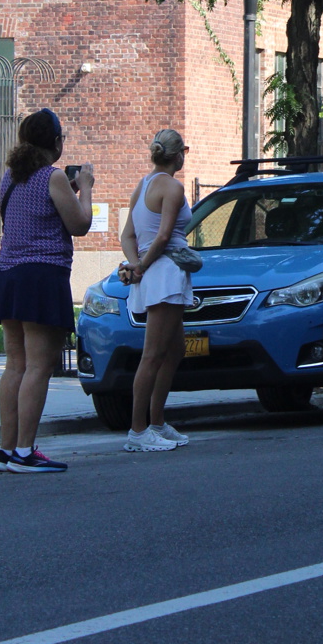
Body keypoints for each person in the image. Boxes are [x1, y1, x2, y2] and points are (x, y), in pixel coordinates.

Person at [0, 108, 95, 472]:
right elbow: (80, 224)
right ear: (56, 143)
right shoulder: (53, 177)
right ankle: (24, 452)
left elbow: (35, 213)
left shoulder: (11, 176)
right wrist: (86, 188)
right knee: (39, 365)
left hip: (6, 275)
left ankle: (6, 451)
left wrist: (71, 191)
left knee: (15, 365)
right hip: (40, 277)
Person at [119, 129, 194, 451]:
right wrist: (142, 267)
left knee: (174, 350)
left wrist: (136, 264)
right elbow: (163, 237)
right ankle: (138, 431)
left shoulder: (143, 185)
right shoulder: (173, 187)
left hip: (153, 271)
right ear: (178, 155)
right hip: (165, 273)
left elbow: (127, 235)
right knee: (152, 355)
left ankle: (158, 422)